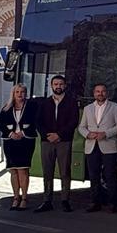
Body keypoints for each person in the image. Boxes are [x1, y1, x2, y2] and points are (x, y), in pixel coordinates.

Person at [35, 75, 79, 213]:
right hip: (47, 141)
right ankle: (47, 200)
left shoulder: (71, 102)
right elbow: (38, 122)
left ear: (64, 86)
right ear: (51, 86)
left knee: (65, 171)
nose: (58, 86)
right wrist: (47, 135)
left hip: (63, 141)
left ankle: (65, 200)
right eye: (55, 84)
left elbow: (73, 121)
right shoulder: (44, 103)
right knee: (47, 171)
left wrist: (59, 135)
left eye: (61, 84)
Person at [78, 82, 117, 213]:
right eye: (98, 91)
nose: (100, 93)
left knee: (110, 175)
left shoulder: (115, 108)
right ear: (94, 94)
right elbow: (81, 127)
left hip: (108, 145)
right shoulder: (88, 109)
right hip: (91, 145)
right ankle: (94, 202)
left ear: (106, 93)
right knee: (93, 175)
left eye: (103, 91)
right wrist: (88, 134)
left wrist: (106, 134)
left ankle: (112, 203)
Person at [0, 84, 39, 210]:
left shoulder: (32, 107)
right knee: (13, 170)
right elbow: (1, 124)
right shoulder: (6, 108)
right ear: (13, 93)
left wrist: (22, 133)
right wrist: (11, 133)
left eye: (22, 92)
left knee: (23, 170)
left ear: (25, 93)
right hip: (10, 141)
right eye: (17, 92)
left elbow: (36, 122)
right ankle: (16, 197)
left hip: (25, 140)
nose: (20, 94)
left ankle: (24, 198)